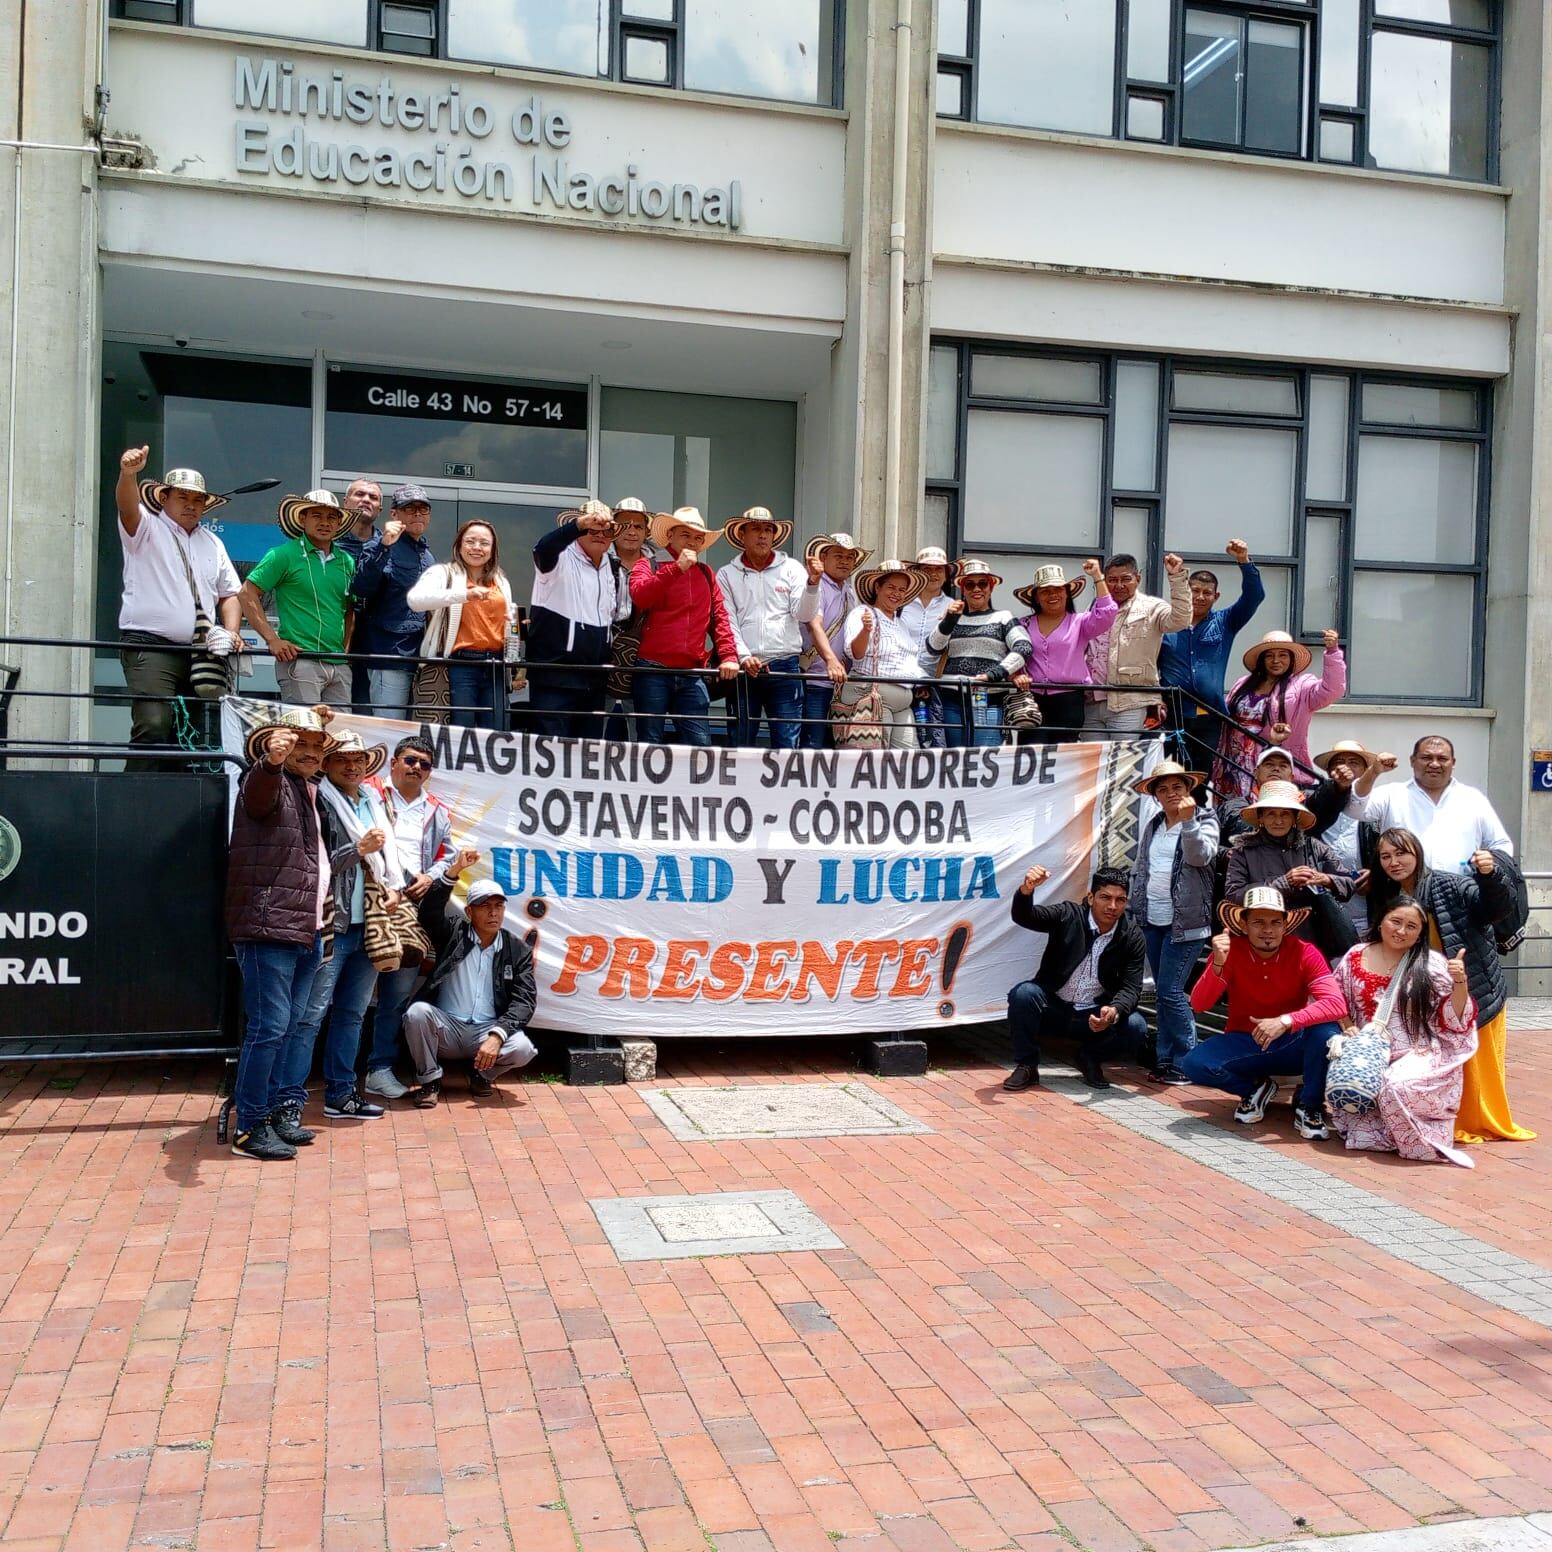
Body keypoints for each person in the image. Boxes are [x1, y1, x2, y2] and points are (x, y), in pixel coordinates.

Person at [1367, 827, 1533, 1145]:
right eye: (1385, 856)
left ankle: (1478, 1122)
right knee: (1439, 1064)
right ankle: (1442, 1119)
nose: (1393, 862)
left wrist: (1491, 876)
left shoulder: (1450, 884)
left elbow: (1494, 909)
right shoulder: (1388, 895)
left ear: (1417, 853)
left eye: (1401, 853)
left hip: (1474, 988)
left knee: (1477, 1066)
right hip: (1428, 996)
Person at [223, 707, 334, 1161]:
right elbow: (258, 791)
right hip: (269, 925)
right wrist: (271, 760)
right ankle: (249, 1128)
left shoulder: (310, 791)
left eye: (316, 747)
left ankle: (268, 1116)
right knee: (269, 1027)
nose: (309, 753)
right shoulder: (266, 779)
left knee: (285, 1028)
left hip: (305, 927)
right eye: (299, 744)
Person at [281, 729, 402, 1123]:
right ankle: (289, 1100)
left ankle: (342, 1094)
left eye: (358, 759)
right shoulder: (318, 800)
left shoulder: (376, 801)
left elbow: (389, 860)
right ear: (328, 764)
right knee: (310, 1016)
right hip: (332, 923)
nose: (352, 766)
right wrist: (358, 849)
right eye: (343, 759)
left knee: (352, 1014)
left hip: (372, 923)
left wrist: (394, 890)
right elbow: (313, 863)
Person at [112, 446, 242, 770]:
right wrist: (128, 474)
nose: (191, 504)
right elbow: (127, 507)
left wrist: (231, 632)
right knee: (153, 724)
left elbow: (230, 594)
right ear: (164, 498)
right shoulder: (147, 526)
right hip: (150, 645)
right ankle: (131, 795)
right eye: (182, 497)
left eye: (198, 499)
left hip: (200, 651)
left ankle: (175, 798)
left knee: (188, 736)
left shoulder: (213, 542)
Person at [1181, 886, 1346, 1140]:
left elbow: (1336, 1004)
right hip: (1246, 1041)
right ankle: (1254, 1089)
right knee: (1193, 1063)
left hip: (1292, 1041)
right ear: (1244, 924)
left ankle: (1310, 1105)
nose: (1268, 930)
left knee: (1327, 1031)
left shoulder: (1305, 951)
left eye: (1275, 922)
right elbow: (1199, 1004)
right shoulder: (1230, 952)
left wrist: (1285, 1021)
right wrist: (1218, 963)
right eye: (1258, 922)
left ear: (1285, 925)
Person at [1332, 898, 1477, 1166]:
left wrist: (1460, 982)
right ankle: (1388, 1138)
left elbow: (1454, 1018)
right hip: (1369, 1052)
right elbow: (1334, 998)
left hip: (1417, 1051)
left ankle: (1421, 1146)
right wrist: (1347, 1026)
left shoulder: (1431, 964)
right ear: (1381, 921)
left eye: (1411, 926)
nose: (1401, 931)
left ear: (1420, 934)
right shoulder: (1354, 956)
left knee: (1395, 1085)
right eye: (1395, 921)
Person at [403, 849, 538, 1108]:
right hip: (448, 1028)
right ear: (469, 911)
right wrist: (453, 871)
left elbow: (524, 1002)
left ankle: (482, 1075)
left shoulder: (516, 950)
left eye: (498, 906)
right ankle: (430, 1081)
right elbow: (429, 912)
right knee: (416, 1014)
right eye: (484, 906)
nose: (493, 913)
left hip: (486, 1032)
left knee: (522, 1048)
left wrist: (497, 1036)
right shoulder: (454, 933)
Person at [1003, 864, 1149, 1092]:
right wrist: (1027, 890)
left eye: (1120, 900)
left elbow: (1131, 987)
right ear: (1091, 898)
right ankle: (1027, 1065)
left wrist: (1113, 1011)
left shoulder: (1132, 935)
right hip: (1054, 1009)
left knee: (1136, 1026)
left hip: (1093, 1017)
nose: (1112, 906)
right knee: (1023, 994)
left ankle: (1090, 1057)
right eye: (1105, 897)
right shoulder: (1068, 915)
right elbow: (1025, 916)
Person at [363, 735, 453, 1100]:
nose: (416, 768)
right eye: (410, 760)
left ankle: (379, 1069)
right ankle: (330, 1076)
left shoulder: (437, 810)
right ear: (394, 762)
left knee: (396, 995)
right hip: (365, 902)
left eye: (424, 764)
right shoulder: (369, 792)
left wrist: (430, 876)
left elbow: (449, 855)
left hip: (409, 912)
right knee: (348, 995)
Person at [1129, 760, 1219, 1084]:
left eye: (1177, 787)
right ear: (1155, 795)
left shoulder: (1205, 819)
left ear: (1189, 789)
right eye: (1163, 789)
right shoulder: (1153, 824)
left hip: (1187, 923)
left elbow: (1200, 857)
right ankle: (1164, 1059)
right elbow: (1143, 867)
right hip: (1153, 919)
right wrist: (1135, 906)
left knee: (1170, 991)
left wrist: (1189, 820)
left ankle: (1186, 1060)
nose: (1171, 793)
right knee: (1163, 993)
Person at [629, 507, 740, 746]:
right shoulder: (647, 564)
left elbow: (720, 617)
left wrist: (729, 655)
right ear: (670, 535)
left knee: (700, 745)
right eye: (685, 535)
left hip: (692, 671)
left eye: (698, 537)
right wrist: (676, 569)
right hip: (652, 669)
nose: (692, 541)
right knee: (649, 742)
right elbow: (640, 596)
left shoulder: (706, 573)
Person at [239, 490, 356, 708]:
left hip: (338, 665)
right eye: (317, 515)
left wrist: (345, 653)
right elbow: (247, 593)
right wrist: (272, 640)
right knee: (304, 726)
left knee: (340, 728)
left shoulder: (347, 561)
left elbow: (349, 609)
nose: (325, 522)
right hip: (300, 661)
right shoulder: (283, 554)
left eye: (331, 517)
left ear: (339, 523)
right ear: (302, 518)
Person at [527, 501, 631, 740]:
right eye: (592, 528)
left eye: (607, 530)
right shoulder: (558, 557)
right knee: (551, 750)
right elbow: (543, 548)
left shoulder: (612, 566)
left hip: (594, 680)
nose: (600, 534)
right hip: (555, 677)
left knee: (587, 753)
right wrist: (579, 525)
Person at [716, 507, 819, 750]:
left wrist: (813, 584)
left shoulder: (792, 568)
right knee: (741, 744)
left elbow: (804, 614)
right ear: (742, 535)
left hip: (785, 664)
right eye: (755, 529)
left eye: (768, 530)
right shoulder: (727, 574)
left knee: (787, 745)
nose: (763, 535)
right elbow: (727, 620)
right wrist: (744, 656)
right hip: (745, 668)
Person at [1223, 780, 1358, 964]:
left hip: (1311, 942)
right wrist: (1284, 883)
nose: (1278, 821)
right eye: (1271, 814)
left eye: (1285, 814)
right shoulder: (1243, 851)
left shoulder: (1313, 847)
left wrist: (1325, 879)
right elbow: (1234, 896)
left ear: (1295, 818)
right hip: (1262, 942)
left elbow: (1349, 883)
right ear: (1261, 818)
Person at [1159, 539, 1265, 760]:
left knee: (1200, 775)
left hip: (1207, 716)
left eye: (1206, 593)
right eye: (1194, 591)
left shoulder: (1226, 621)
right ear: (1185, 592)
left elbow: (1254, 597)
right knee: (1160, 772)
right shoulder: (1165, 621)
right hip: (1168, 714)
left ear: (1216, 597)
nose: (1199, 597)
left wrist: (1244, 560)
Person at [406, 519, 515, 731]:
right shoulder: (443, 573)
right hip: (460, 664)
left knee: (497, 732)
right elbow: (415, 600)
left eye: (484, 543)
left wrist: (513, 625)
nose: (477, 547)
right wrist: (464, 595)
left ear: (493, 550)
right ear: (459, 545)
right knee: (460, 732)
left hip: (496, 665)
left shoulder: (501, 581)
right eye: (470, 541)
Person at [1354, 735, 1513, 873]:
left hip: (1461, 891)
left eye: (1442, 759)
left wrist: (1487, 864)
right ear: (1412, 761)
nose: (1434, 764)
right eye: (1426, 758)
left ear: (1453, 762)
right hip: (1403, 893)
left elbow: (1501, 844)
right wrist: (1373, 772)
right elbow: (1356, 809)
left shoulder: (1472, 798)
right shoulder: (1391, 794)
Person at [1216, 629, 1345, 797]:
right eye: (1269, 655)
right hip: (1233, 761)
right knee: (1232, 808)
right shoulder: (1243, 683)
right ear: (1262, 659)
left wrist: (1333, 652)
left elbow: (1333, 690)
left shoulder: (1302, 686)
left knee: (1265, 808)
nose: (1276, 660)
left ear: (1291, 659)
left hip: (1271, 763)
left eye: (1283, 655)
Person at [1083, 551, 1191, 739]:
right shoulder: (1096, 608)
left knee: (1122, 756)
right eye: (1112, 580)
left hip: (1129, 702)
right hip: (1091, 701)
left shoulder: (1151, 607)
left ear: (1138, 579)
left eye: (1126, 579)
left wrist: (1177, 577)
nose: (1119, 585)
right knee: (1094, 758)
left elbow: (1180, 620)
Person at [351, 483, 437, 719]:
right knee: (389, 727)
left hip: (420, 660)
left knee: (411, 729)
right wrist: (384, 546)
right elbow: (361, 588)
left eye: (423, 509)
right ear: (394, 514)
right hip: (388, 657)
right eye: (409, 508)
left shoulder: (427, 556)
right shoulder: (379, 545)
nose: (417, 514)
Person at [927, 559, 1032, 747]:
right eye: (970, 585)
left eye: (982, 584)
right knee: (955, 757)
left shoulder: (1003, 617)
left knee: (986, 757)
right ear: (963, 589)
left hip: (989, 700)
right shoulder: (953, 617)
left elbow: (1024, 646)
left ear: (991, 588)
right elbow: (933, 648)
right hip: (952, 700)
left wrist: (996, 674)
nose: (976, 589)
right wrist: (949, 620)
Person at [1012, 562, 1116, 746]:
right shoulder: (1023, 624)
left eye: (1058, 589)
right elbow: (1013, 654)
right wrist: (1017, 675)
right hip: (1032, 699)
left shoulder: (1080, 622)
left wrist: (1097, 576)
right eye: (1045, 591)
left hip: (1069, 700)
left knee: (1063, 753)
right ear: (1036, 597)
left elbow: (1107, 613)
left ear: (1067, 593)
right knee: (1030, 751)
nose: (1053, 595)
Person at [839, 559, 927, 750]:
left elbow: (908, 661)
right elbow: (855, 654)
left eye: (902, 590)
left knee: (909, 756)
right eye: (891, 587)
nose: (897, 593)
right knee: (876, 756)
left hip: (903, 703)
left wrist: (922, 682)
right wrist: (865, 630)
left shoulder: (901, 623)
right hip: (873, 697)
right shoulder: (863, 612)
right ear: (877, 587)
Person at [798, 533, 868, 751]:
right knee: (813, 746)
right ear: (823, 558)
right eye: (838, 556)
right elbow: (813, 624)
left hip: (841, 684)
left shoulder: (849, 592)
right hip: (815, 681)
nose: (844, 561)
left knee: (838, 746)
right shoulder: (817, 586)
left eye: (849, 557)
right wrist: (831, 660)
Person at [603, 497, 654, 740]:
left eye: (638, 526)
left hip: (641, 649)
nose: (632, 531)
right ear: (614, 527)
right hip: (603, 645)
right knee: (595, 719)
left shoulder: (656, 564)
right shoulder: (599, 557)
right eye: (625, 524)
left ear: (646, 532)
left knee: (641, 725)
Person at [901, 545, 954, 746]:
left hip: (935, 687)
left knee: (934, 744)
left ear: (946, 575)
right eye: (927, 569)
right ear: (917, 573)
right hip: (901, 682)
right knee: (903, 743)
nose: (933, 574)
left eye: (938, 569)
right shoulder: (900, 603)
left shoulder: (953, 606)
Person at [336, 479, 383, 710]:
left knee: (367, 714)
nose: (366, 500)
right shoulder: (328, 542)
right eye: (360, 494)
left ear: (380, 509)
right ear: (346, 502)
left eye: (373, 497)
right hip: (332, 641)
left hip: (376, 645)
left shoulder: (389, 545)